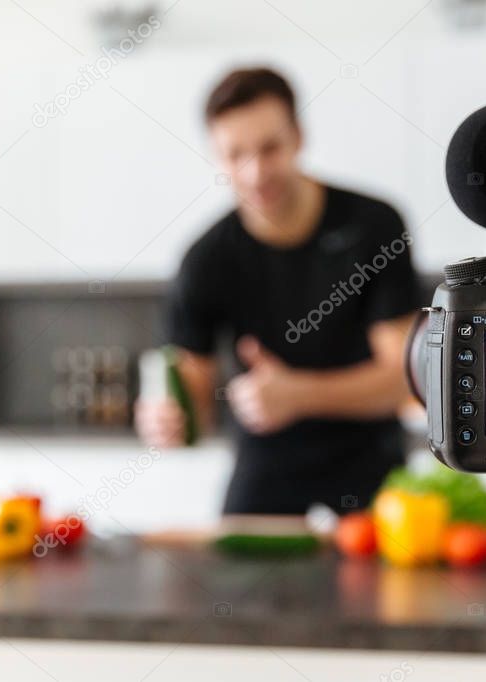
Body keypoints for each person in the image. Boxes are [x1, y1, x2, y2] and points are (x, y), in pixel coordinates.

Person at [135, 67, 421, 515]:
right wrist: (166, 420)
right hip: (264, 474)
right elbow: (192, 400)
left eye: (269, 148)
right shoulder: (205, 259)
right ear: (216, 156)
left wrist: (298, 394)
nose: (255, 172)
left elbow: (404, 379)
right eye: (235, 154)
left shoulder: (375, 225)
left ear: (298, 138)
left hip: (373, 474)